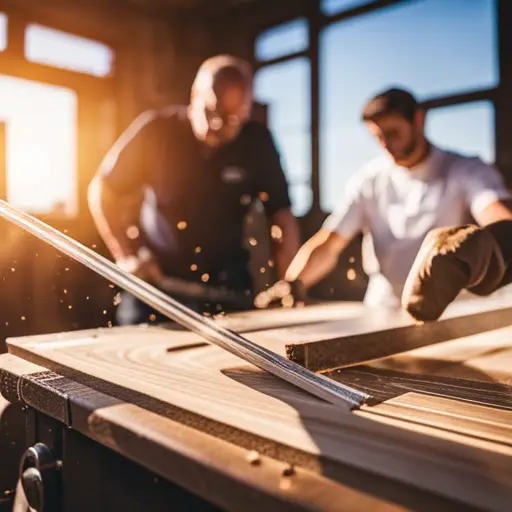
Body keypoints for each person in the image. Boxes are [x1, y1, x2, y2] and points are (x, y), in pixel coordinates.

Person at [255, 87, 512, 310]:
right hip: (384, 310)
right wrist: (292, 284)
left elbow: (497, 214)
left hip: (454, 313)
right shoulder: (369, 179)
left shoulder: (465, 169)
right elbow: (329, 243)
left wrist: (486, 242)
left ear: (419, 121)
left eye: (393, 133)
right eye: (378, 137)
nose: (386, 144)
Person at [89, 54, 300, 324]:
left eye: (232, 118)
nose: (218, 125)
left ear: (247, 110)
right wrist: (126, 255)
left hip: (228, 286)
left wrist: (289, 282)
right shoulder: (156, 131)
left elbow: (283, 218)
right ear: (194, 95)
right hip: (156, 283)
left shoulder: (257, 143)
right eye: (212, 111)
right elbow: (103, 188)